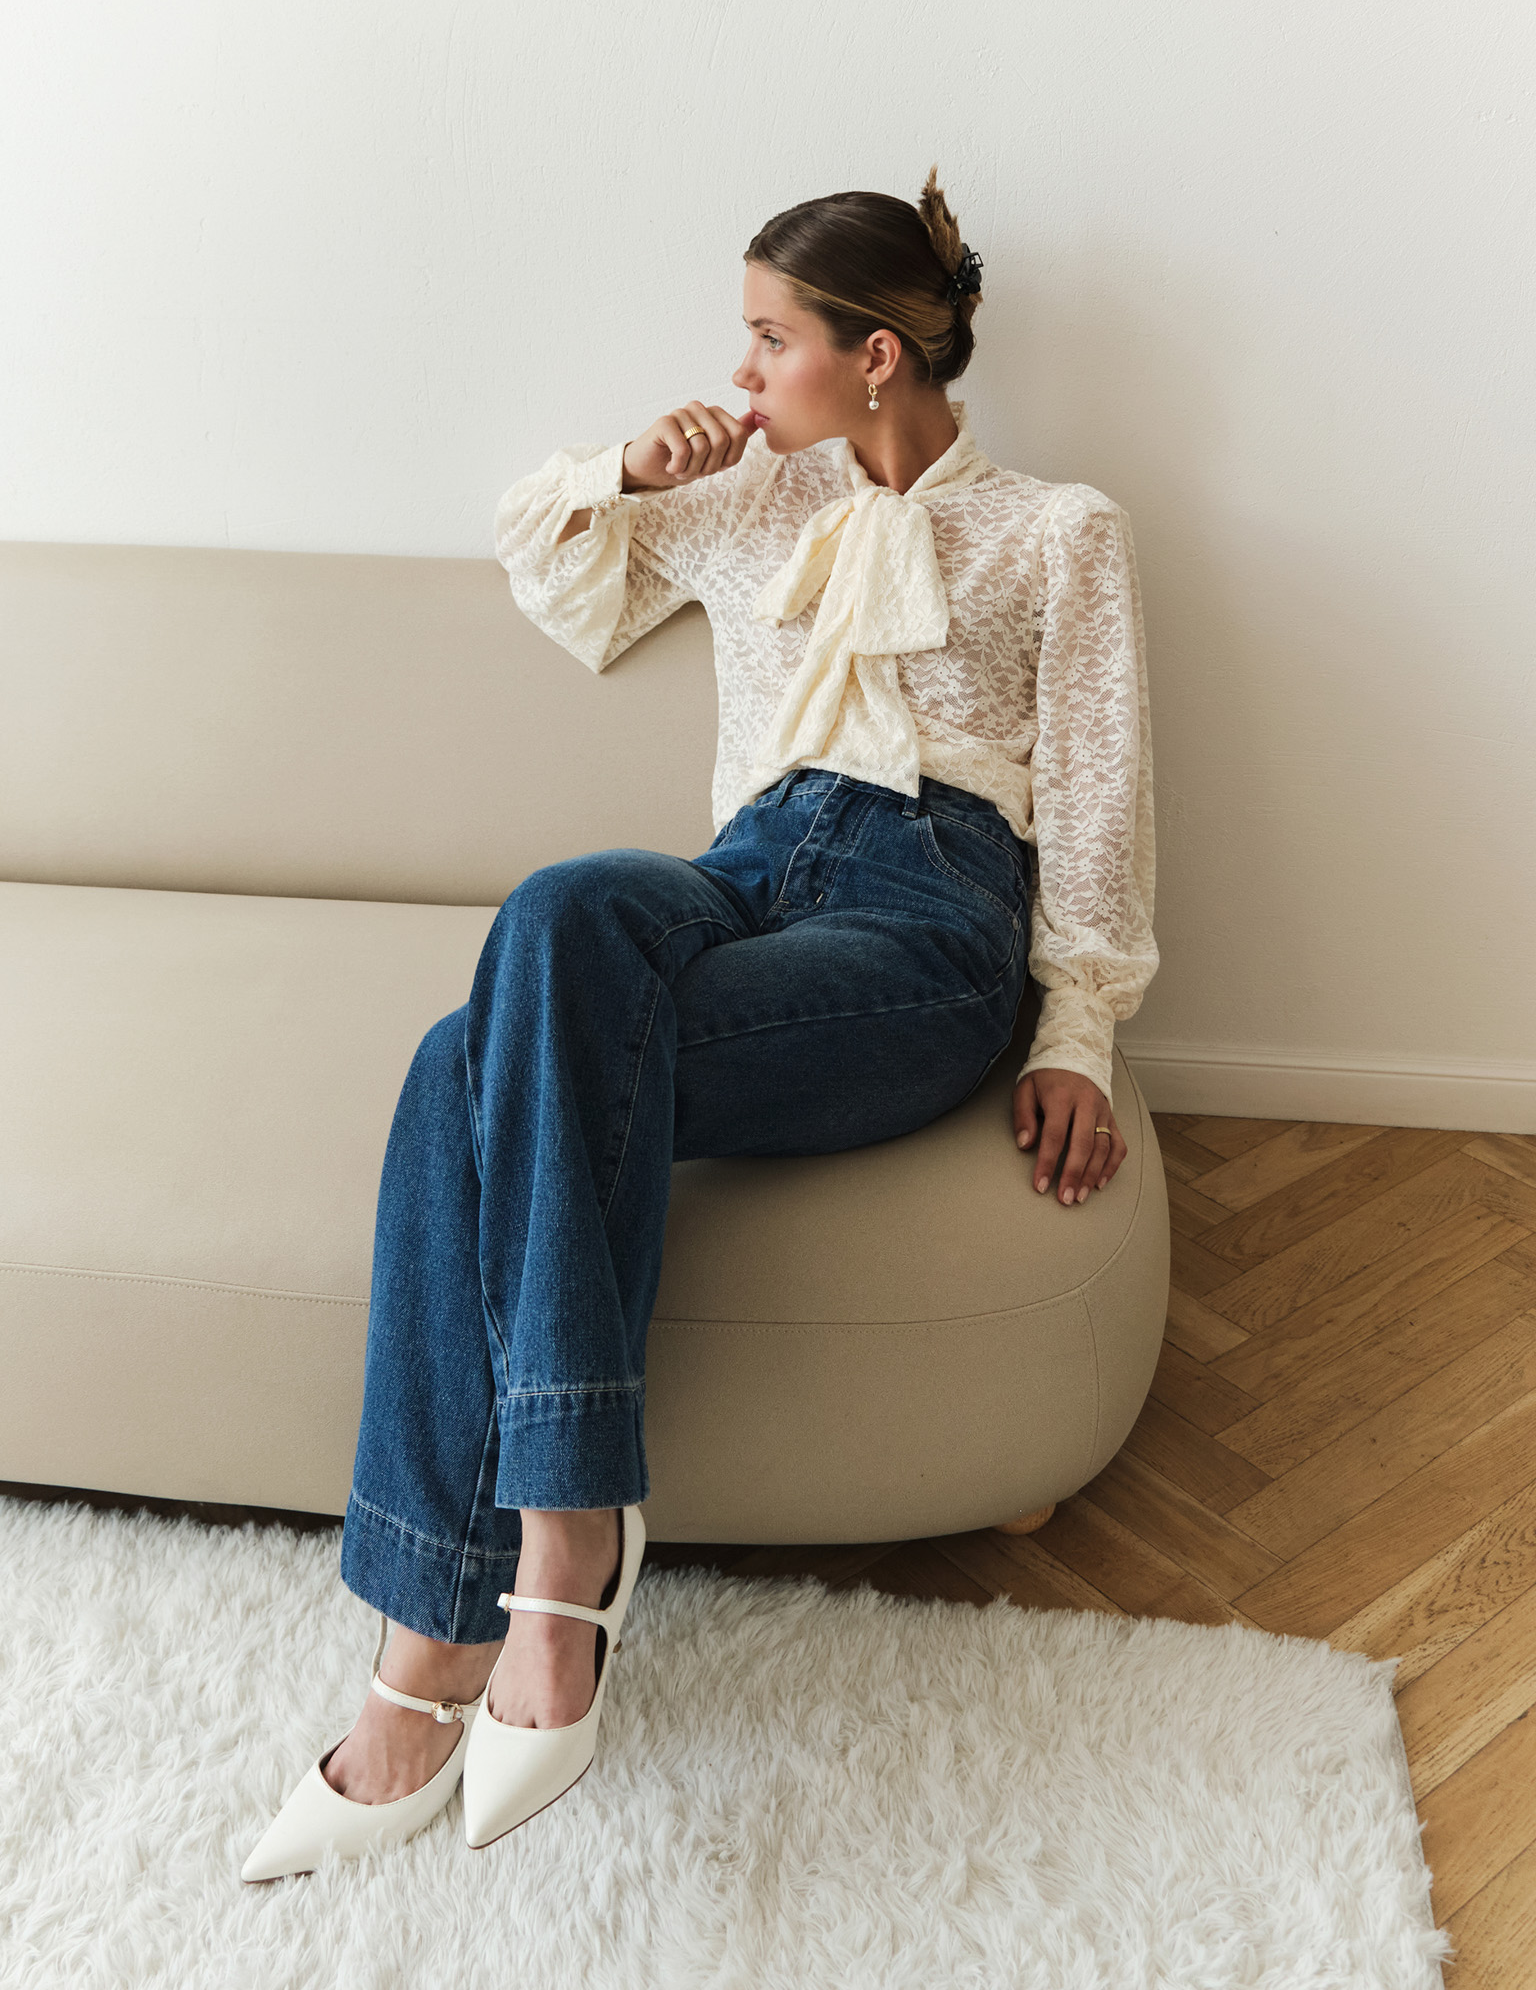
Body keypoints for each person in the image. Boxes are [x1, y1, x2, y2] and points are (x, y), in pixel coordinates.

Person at [241, 165, 1158, 1881]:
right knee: (560, 907)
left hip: (924, 912)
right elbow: (556, 576)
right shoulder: (749, 498)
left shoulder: (1060, 532)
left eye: (767, 341)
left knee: (458, 1068)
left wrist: (1075, 1032)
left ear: (874, 356)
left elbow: (1101, 799)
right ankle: (569, 1533)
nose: (739, 375)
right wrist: (628, 473)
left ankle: (430, 1652)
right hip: (740, 875)